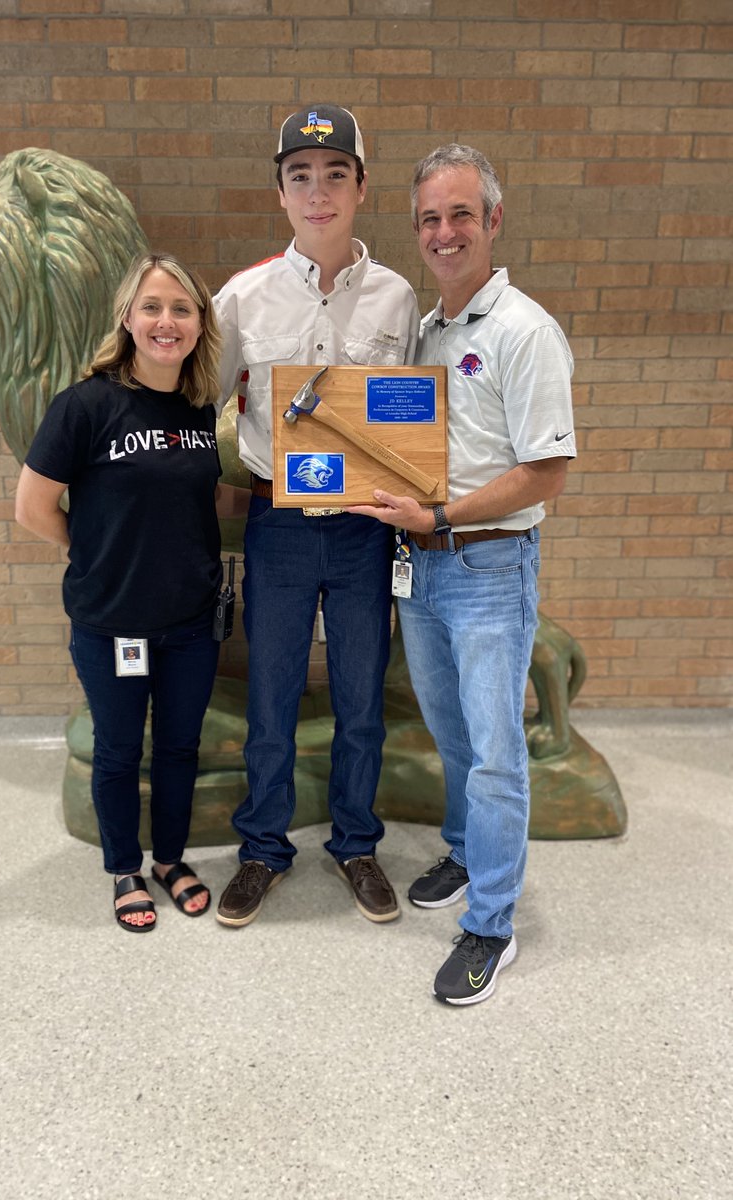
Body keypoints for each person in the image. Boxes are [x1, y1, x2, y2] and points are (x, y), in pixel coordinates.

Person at [349, 144, 576, 1003]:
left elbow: (545, 472)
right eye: (429, 219)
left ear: (493, 220)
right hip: (423, 567)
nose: (444, 233)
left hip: (486, 564)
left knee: (494, 755)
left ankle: (492, 926)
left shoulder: (524, 330)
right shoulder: (427, 331)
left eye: (461, 215)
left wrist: (440, 517)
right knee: (451, 735)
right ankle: (465, 850)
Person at [212, 104, 420, 927]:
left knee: (362, 699)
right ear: (281, 192)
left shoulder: (397, 298)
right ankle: (263, 849)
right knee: (272, 698)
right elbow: (200, 400)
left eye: (336, 175)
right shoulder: (243, 297)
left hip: (367, 526)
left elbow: (415, 417)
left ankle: (357, 844)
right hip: (282, 526)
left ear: (362, 187)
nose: (318, 191)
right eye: (300, 176)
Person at [16, 252, 246, 932]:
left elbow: (200, 495)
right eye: (152, 307)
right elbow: (32, 508)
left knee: (179, 748)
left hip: (190, 623)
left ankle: (170, 860)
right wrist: (92, 552)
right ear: (127, 318)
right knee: (119, 751)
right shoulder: (84, 405)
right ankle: (125, 868)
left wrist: (283, 501)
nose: (166, 321)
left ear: (199, 324)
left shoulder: (198, 410)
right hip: (112, 624)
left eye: (181, 308)